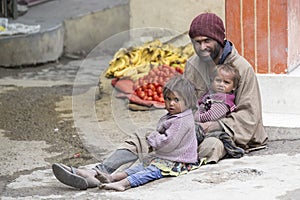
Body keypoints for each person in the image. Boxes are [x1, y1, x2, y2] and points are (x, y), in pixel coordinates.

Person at [52, 12, 268, 190]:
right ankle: (101, 171)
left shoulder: (242, 68)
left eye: (207, 41)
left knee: (208, 147)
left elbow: (250, 118)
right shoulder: (193, 64)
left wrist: (209, 126)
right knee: (150, 137)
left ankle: (136, 174)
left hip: (229, 135)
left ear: (220, 40)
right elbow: (186, 102)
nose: (202, 47)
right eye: (197, 42)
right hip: (193, 126)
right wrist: (179, 123)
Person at [93, 75, 198, 191]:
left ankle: (124, 184)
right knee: (142, 166)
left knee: (151, 171)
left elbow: (169, 142)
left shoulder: (182, 121)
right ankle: (113, 178)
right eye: (168, 99)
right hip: (170, 157)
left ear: (188, 102)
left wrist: (153, 137)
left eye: (176, 100)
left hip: (180, 162)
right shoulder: (177, 116)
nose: (171, 103)